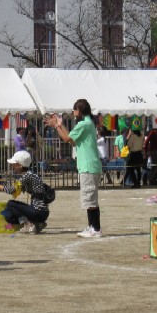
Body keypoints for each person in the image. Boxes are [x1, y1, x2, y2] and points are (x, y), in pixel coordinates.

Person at [45, 99, 102, 238]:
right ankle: (92, 227)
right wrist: (60, 125)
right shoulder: (88, 123)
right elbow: (72, 139)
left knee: (90, 199)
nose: (73, 112)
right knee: (89, 198)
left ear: (79, 111)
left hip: (88, 166)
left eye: (75, 110)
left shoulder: (84, 124)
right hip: (89, 165)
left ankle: (95, 228)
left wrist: (56, 126)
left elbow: (66, 139)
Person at [0, 150, 50, 234]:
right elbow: (15, 189)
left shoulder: (28, 175)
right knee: (8, 216)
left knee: (11, 204)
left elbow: (11, 190)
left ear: (21, 165)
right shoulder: (30, 175)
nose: (13, 167)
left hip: (39, 212)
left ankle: (31, 223)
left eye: (15, 165)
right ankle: (35, 223)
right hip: (40, 212)